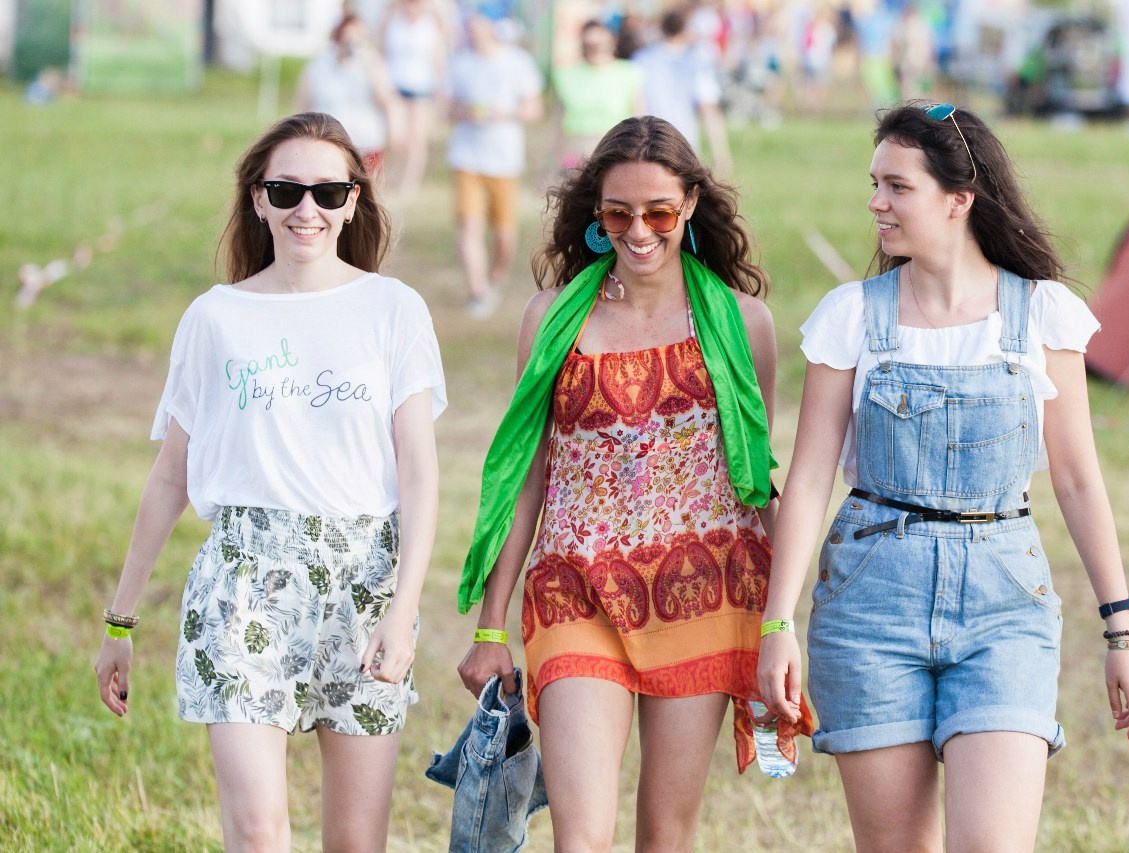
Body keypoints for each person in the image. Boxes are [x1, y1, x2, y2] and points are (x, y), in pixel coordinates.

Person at [757, 102, 1129, 852]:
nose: (876, 201)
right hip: (870, 605)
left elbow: (1077, 481)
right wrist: (778, 624)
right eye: (874, 183)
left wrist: (1121, 629)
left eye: (896, 186)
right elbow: (806, 482)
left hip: (1006, 606)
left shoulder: (1042, 312)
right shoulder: (849, 317)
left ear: (958, 198)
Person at [456, 115, 811, 851]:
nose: (639, 230)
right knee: (580, 838)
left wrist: (783, 625)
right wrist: (491, 626)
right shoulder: (554, 318)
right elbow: (529, 477)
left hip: (702, 591)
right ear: (596, 214)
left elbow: (755, 476)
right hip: (576, 591)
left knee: (665, 834)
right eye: (619, 213)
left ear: (689, 206)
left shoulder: (746, 324)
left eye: (658, 213)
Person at [93, 111, 447, 852]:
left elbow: (418, 471)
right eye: (286, 190)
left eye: (327, 191)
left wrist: (403, 608)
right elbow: (171, 474)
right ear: (258, 199)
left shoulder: (394, 309)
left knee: (356, 840)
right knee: (258, 834)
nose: (306, 210)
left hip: (364, 585)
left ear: (355, 199)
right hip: (243, 584)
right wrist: (120, 620)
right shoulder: (216, 317)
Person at [445, 14, 544, 319]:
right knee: (469, 226)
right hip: (467, 157)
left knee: (504, 234)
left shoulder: (517, 62)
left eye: (478, 26)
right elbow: (448, 107)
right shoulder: (460, 63)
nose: (473, 32)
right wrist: (464, 111)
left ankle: (495, 280)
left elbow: (534, 108)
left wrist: (506, 112)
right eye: (469, 26)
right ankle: (477, 291)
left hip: (504, 160)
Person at [296, 14, 402, 178]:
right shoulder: (320, 65)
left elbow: (386, 99)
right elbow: (303, 102)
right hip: (328, 141)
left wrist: (394, 130)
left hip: (365, 141)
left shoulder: (371, 63)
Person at [632, 8, 733, 175]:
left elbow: (637, 104)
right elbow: (709, 110)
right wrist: (721, 154)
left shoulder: (642, 59)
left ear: (662, 28)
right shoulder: (696, 62)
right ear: (685, 29)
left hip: (649, 141)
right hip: (685, 143)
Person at [550, 20, 644, 171]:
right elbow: (558, 121)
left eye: (600, 44)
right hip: (576, 149)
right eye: (590, 45)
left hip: (616, 150)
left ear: (612, 43)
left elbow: (638, 115)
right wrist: (554, 155)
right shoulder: (566, 75)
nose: (596, 50)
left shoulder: (629, 73)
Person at [381, 0, 449, 198]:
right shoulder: (393, 22)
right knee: (396, 137)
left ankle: (409, 185)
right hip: (396, 86)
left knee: (417, 138)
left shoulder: (430, 26)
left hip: (422, 88)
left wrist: (440, 92)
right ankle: (393, 175)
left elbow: (438, 59)